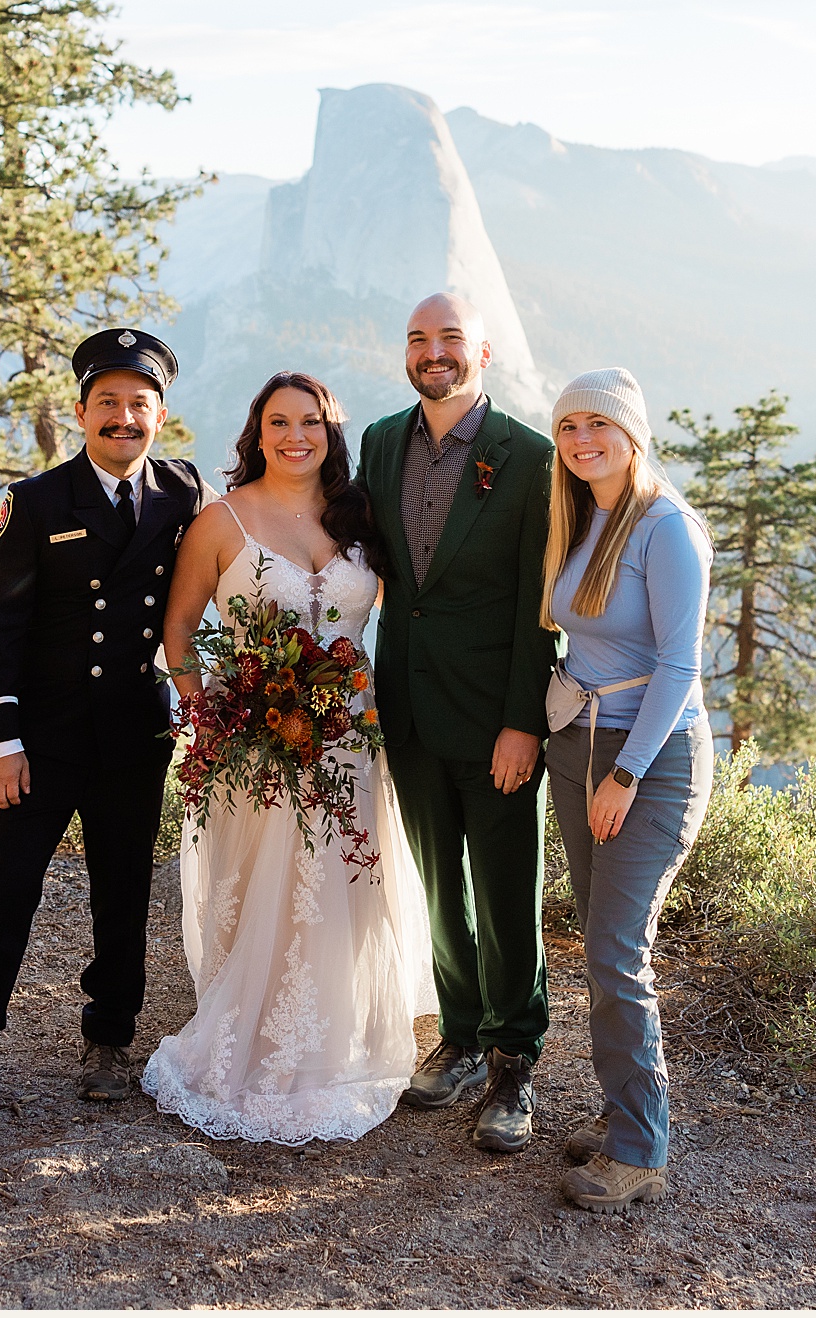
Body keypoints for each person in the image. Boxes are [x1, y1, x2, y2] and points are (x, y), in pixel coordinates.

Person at [0, 328, 218, 1125]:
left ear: (161, 415)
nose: (125, 418)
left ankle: (109, 1043)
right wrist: (0, 741)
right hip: (42, 740)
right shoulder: (36, 501)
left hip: (132, 735)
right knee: (6, 890)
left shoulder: (181, 494)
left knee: (122, 893)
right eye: (109, 404)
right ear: (81, 411)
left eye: (140, 405)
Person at [141, 372, 438, 1143]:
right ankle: (256, 1042)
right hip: (256, 748)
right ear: (257, 430)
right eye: (279, 421)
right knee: (265, 892)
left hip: (350, 744)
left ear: (331, 431)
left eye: (310, 421)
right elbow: (178, 636)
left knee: (343, 892)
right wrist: (210, 720)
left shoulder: (361, 519)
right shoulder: (221, 522)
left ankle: (343, 1041)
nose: (294, 434)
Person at [356, 291, 560, 1154]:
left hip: (496, 717)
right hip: (408, 704)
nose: (431, 352)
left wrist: (524, 723)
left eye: (448, 338)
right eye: (417, 339)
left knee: (507, 888)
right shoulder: (378, 441)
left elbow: (536, 608)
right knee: (440, 883)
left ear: (482, 350)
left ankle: (518, 1058)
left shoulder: (531, 459)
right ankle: (464, 1038)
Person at [538, 367, 714, 1213]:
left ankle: (642, 1152)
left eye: (597, 426)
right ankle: (621, 1120)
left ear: (632, 433)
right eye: (568, 427)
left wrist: (626, 773)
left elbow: (681, 666)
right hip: (579, 741)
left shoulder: (667, 527)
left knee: (616, 949)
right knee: (599, 939)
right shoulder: (584, 514)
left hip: (651, 756)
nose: (581, 442)